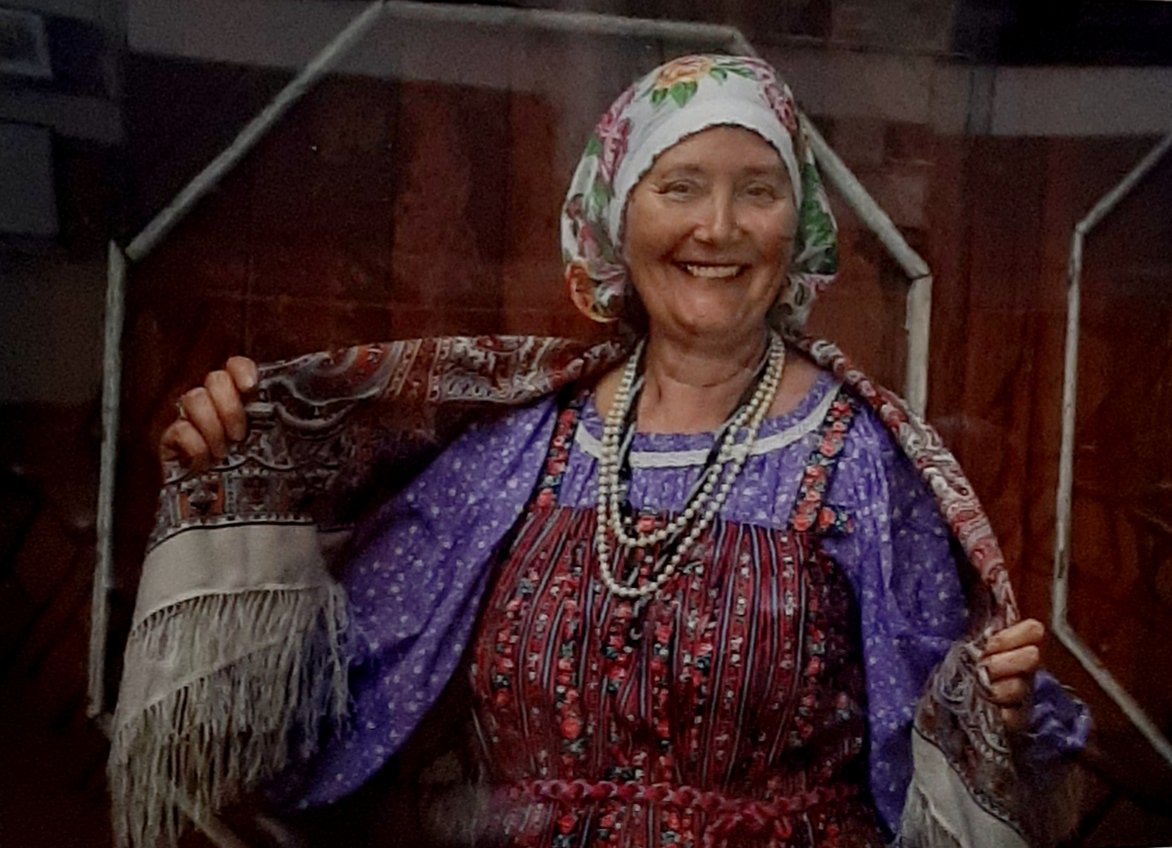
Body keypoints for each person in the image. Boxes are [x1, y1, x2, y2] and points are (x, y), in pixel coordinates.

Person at [111, 55, 1089, 848]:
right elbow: (340, 677)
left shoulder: (860, 460)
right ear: (618, 217)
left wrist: (993, 715)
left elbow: (932, 720)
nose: (717, 227)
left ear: (798, 230)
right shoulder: (525, 445)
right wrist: (244, 474)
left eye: (756, 191)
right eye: (679, 187)